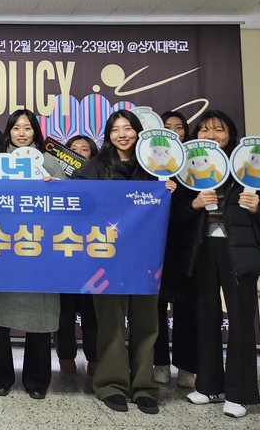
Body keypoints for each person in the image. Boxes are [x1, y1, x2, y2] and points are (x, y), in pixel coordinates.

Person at [175, 111, 260, 419]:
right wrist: (194, 204)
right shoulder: (187, 166)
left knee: (240, 321)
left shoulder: (248, 163)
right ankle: (209, 386)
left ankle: (239, 394)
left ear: (230, 134)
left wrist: (259, 206)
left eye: (218, 129)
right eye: (204, 129)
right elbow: (175, 212)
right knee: (204, 317)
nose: (210, 135)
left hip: (239, 251)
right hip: (202, 251)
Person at [77, 110, 176, 415]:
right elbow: (78, 197)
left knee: (147, 323)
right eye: (115, 129)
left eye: (128, 128)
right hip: (106, 257)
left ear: (138, 132)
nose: (122, 134)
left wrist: (170, 191)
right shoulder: (96, 166)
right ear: (108, 135)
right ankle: (111, 385)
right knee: (110, 323)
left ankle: (144, 386)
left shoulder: (155, 166)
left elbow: (174, 211)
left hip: (147, 257)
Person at [0, 109, 63, 400]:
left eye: (27, 128)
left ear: (35, 132)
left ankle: (37, 379)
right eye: (16, 128)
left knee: (41, 318)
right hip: (2, 247)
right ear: (9, 132)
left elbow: (71, 201)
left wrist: (57, 187)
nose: (22, 133)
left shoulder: (50, 161)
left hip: (41, 250)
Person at [153, 111, 197, 388]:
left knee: (186, 308)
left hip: (187, 247)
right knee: (155, 308)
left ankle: (187, 366)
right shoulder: (148, 164)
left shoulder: (196, 164)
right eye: (167, 127)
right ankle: (159, 363)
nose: (173, 131)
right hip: (155, 247)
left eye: (179, 127)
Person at [54, 135, 99, 376]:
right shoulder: (53, 175)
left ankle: (94, 357)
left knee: (92, 310)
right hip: (61, 251)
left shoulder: (102, 177)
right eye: (73, 149)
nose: (79, 153)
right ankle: (65, 357)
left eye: (85, 149)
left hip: (92, 253)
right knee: (64, 309)